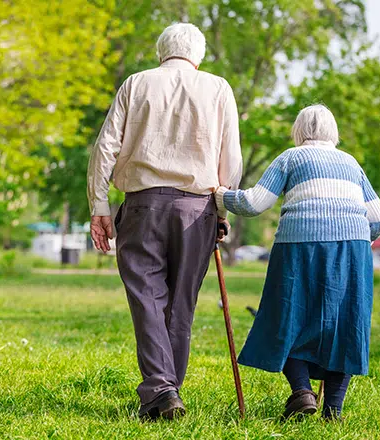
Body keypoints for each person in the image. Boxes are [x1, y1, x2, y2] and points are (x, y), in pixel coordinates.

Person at [87, 23, 243, 420]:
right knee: (181, 305)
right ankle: (166, 390)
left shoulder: (136, 84)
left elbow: (105, 148)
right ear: (199, 55)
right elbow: (231, 159)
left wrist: (99, 205)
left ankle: (161, 390)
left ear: (161, 51)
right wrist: (222, 212)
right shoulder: (218, 87)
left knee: (147, 299)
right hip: (198, 208)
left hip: (142, 206)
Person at [214, 104, 380, 421]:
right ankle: (332, 411)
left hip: (299, 247)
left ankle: (302, 392)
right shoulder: (350, 163)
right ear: (332, 132)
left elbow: (254, 203)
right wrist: (357, 240)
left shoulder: (291, 157)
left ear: (298, 131)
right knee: (344, 327)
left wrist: (221, 195)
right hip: (352, 249)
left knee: (285, 318)